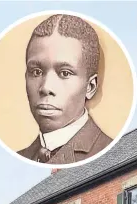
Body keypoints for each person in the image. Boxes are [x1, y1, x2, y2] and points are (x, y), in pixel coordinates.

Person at [18, 14, 112, 164]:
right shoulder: (24, 156)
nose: (46, 88)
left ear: (90, 86)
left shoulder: (105, 149)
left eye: (64, 73)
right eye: (36, 72)